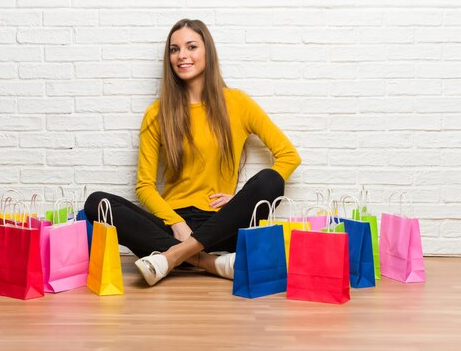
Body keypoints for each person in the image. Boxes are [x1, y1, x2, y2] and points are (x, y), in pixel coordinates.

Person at [84, 19, 301, 286]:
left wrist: (238, 199)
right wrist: (176, 223)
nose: (182, 55)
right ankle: (209, 262)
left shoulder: (238, 103)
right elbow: (145, 186)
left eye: (191, 47)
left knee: (270, 179)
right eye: (174, 50)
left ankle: (172, 258)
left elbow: (289, 156)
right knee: (96, 203)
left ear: (207, 51)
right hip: (170, 227)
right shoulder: (157, 113)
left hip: (221, 226)